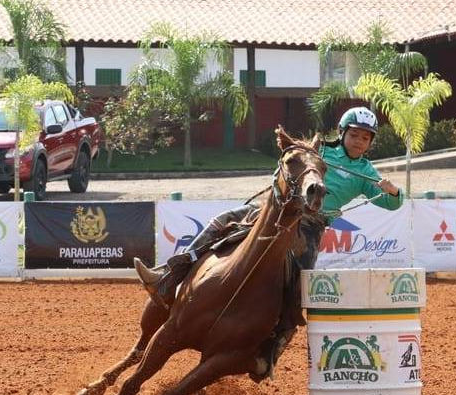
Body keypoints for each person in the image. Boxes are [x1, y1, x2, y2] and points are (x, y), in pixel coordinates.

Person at [134, 106, 403, 376]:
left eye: (365, 138)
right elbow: (294, 161)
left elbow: (394, 204)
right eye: (354, 135)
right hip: (279, 208)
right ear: (342, 133)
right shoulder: (322, 153)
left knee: (300, 285)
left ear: (370, 143)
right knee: (222, 221)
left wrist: (394, 191)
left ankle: (272, 348)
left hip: (310, 228)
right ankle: (169, 277)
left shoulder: (368, 173)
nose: (359, 141)